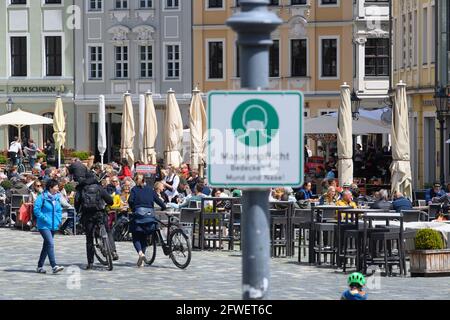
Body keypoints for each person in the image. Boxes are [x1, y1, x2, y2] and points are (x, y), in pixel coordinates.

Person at [75, 172, 117, 270]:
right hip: (100, 213)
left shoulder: (82, 188)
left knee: (89, 239)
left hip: (88, 215)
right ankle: (113, 251)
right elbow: (110, 200)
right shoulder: (99, 188)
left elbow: (77, 202)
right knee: (108, 231)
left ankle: (90, 263)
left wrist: (79, 211)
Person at [128, 174, 167, 267]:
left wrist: (133, 209)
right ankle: (142, 259)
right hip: (149, 217)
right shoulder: (150, 189)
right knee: (144, 237)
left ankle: (141, 253)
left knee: (136, 236)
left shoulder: (134, 189)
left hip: (138, 216)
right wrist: (163, 207)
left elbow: (130, 200)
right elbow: (158, 200)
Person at [33, 179, 65, 274]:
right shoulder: (42, 197)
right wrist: (44, 218)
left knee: (46, 246)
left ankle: (39, 266)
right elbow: (36, 210)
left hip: (53, 224)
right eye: (56, 186)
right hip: (43, 225)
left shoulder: (57, 197)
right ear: (50, 188)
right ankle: (54, 265)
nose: (57, 188)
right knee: (50, 243)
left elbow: (59, 210)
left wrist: (59, 219)